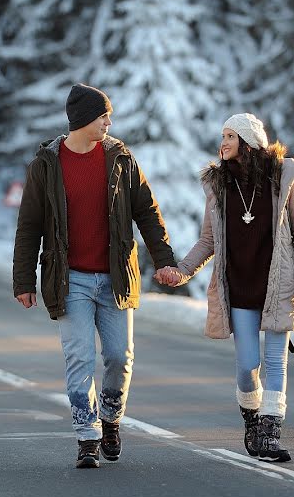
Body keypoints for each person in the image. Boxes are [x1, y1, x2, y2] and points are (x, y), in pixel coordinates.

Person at [13, 83, 177, 469]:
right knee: (79, 357)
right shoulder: (46, 166)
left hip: (116, 277)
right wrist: (23, 280)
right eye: (103, 115)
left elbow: (147, 213)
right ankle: (87, 436)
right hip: (70, 281)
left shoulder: (120, 158)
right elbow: (29, 225)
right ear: (83, 119)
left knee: (120, 357)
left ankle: (111, 419)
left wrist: (164, 259)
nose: (108, 122)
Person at [156, 113, 294, 462]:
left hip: (279, 283)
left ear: (248, 141)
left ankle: (271, 431)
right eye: (223, 136)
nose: (223, 142)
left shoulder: (285, 176)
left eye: (230, 135)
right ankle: (252, 417)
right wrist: (181, 271)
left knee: (276, 360)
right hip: (240, 285)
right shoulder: (219, 185)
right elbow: (208, 240)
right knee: (248, 364)